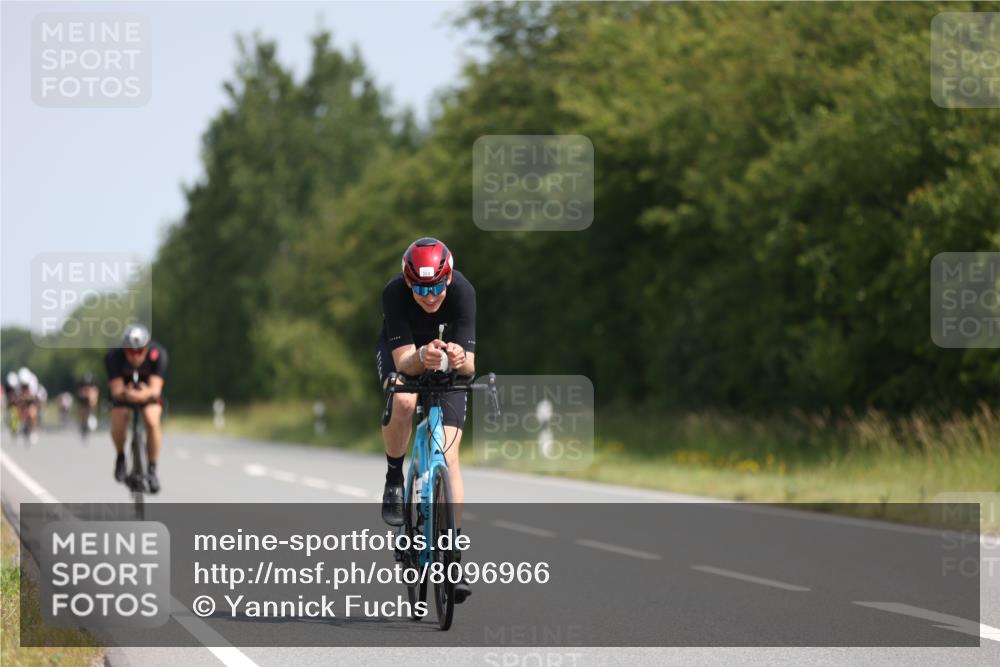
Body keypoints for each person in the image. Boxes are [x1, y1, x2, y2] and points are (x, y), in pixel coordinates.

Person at [376, 237, 476, 602]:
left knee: (449, 457)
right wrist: (422, 355)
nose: (430, 296)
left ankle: (455, 558)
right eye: (420, 287)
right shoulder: (394, 294)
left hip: (446, 363)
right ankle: (393, 475)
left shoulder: (464, 292)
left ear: (448, 280)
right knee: (403, 400)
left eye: (436, 287)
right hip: (403, 353)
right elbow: (403, 363)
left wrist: (459, 357)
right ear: (407, 281)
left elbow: (471, 366)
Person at [105, 324, 168, 493]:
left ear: (147, 348)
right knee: (120, 416)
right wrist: (128, 393)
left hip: (148, 395)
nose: (135, 356)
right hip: (123, 395)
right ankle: (120, 457)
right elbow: (116, 390)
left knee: (151, 419)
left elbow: (155, 389)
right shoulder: (114, 356)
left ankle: (152, 469)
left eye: (140, 351)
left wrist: (142, 394)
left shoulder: (158, 354)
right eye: (131, 352)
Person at [16, 367, 40, 444]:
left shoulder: (33, 382)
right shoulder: (18, 385)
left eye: (25, 385)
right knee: (19, 408)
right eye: (23, 385)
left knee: (33, 412)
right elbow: (17, 397)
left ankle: (33, 431)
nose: (24, 386)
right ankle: (22, 422)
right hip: (22, 398)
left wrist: (27, 398)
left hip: (31, 399)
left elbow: (33, 396)